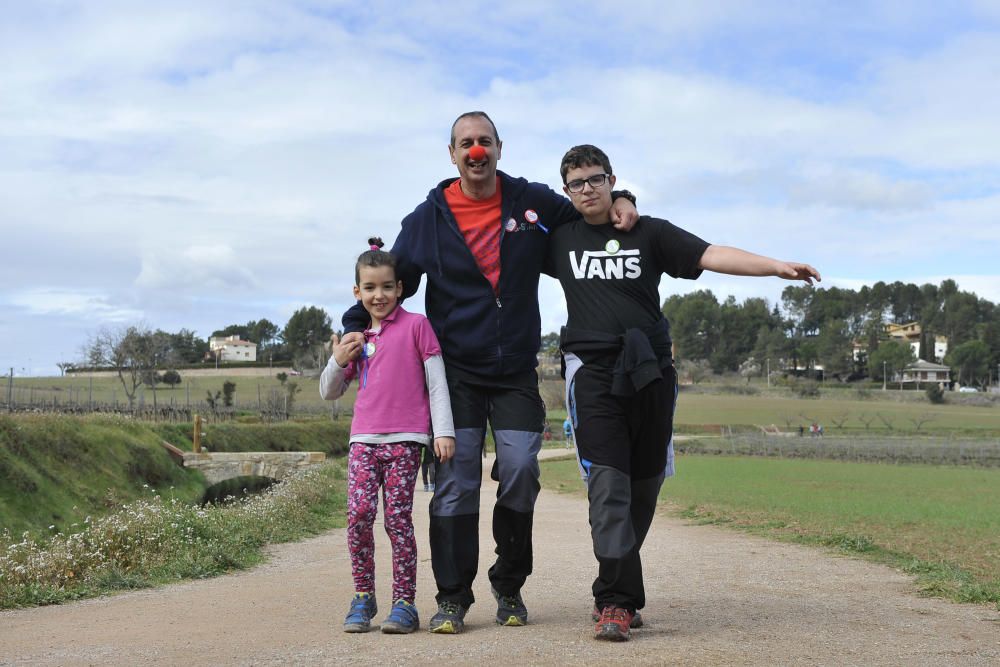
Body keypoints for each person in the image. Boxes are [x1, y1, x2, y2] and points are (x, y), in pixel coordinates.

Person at [342, 112, 639, 634]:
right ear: (452, 155)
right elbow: (388, 283)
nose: (475, 151)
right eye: (465, 144)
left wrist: (621, 198)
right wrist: (351, 326)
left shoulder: (531, 201)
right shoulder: (426, 220)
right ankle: (453, 597)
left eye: (484, 142)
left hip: (516, 371)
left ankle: (509, 585)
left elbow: (581, 209)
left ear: (499, 148)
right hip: (454, 374)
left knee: (522, 471)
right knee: (455, 483)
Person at [546, 144, 820, 642]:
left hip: (651, 371)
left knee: (644, 487)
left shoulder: (648, 231)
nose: (587, 189)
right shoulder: (559, 237)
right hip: (592, 373)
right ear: (567, 190)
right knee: (608, 486)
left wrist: (775, 266)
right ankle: (616, 601)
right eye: (577, 183)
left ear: (612, 180)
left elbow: (710, 254)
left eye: (596, 179)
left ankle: (614, 584)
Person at [321, 238, 456, 635]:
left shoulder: (418, 326)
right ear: (357, 291)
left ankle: (404, 603)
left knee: (398, 520)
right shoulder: (355, 337)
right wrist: (338, 358)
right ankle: (363, 596)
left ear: (399, 288)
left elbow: (437, 384)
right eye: (369, 288)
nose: (378, 296)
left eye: (386, 287)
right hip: (363, 440)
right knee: (359, 515)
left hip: (406, 440)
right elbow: (329, 390)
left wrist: (442, 432)